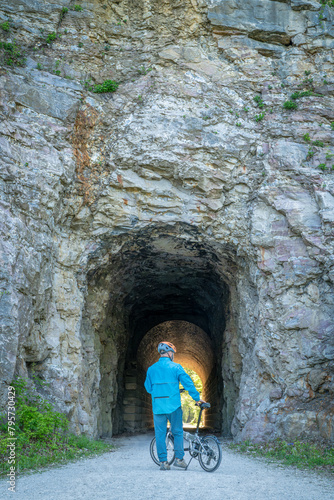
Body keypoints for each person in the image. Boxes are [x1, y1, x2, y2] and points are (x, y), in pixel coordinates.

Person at [144, 341, 206, 470]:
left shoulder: (151, 369)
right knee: (177, 432)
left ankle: (163, 462)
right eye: (173, 353)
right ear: (170, 353)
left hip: (158, 407)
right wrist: (197, 398)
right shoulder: (176, 367)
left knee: (160, 434)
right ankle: (179, 459)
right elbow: (188, 383)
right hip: (173, 406)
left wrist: (159, 392)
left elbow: (148, 388)